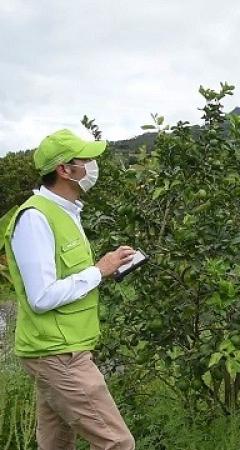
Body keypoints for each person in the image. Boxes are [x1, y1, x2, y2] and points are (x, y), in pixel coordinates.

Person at [3, 129, 136, 450]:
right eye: (86, 159)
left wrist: (104, 271)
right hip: (57, 354)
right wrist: (98, 270)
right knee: (117, 443)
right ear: (65, 169)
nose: (93, 165)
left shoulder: (65, 213)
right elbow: (41, 297)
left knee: (56, 444)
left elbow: (68, 278)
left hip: (61, 348)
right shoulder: (35, 219)